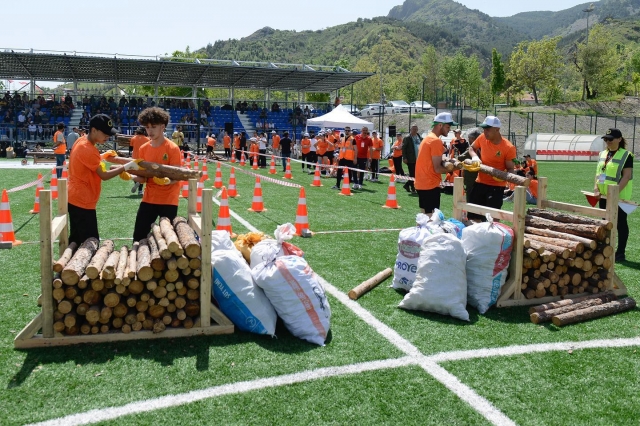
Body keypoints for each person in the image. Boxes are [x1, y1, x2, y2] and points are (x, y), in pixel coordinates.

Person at [67, 115, 136, 245]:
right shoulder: (88, 149)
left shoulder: (82, 141)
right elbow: (104, 175)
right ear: (94, 130)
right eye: (105, 133)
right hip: (82, 200)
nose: (107, 137)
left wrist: (102, 156)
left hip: (75, 197)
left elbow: (87, 160)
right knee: (90, 243)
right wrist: (125, 167)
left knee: (76, 240)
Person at [131, 107, 182, 242]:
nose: (150, 131)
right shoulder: (143, 149)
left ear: (162, 127)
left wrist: (167, 181)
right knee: (138, 236)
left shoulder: (172, 148)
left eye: (153, 126)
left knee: (169, 239)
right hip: (149, 198)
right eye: (147, 127)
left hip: (169, 199)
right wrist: (131, 177)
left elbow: (177, 176)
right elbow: (143, 177)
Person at [594, 128, 633, 262]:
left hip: (619, 196)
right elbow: (599, 174)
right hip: (604, 196)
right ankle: (604, 249)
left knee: (620, 224)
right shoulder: (603, 154)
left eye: (610, 139)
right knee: (604, 222)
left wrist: (615, 193)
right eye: (605, 139)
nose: (607, 142)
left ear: (619, 139)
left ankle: (620, 253)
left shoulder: (626, 155)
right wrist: (596, 188)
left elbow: (626, 176)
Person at [468, 116, 516, 221]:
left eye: (488, 129)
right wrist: (475, 157)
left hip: (496, 187)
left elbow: (510, 169)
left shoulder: (508, 147)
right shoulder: (481, 138)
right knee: (473, 217)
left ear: (497, 129)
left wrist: (505, 177)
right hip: (480, 183)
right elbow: (471, 148)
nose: (485, 132)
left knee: (493, 219)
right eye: (484, 129)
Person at [414, 113, 455, 215]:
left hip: (423, 183)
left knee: (424, 218)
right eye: (448, 127)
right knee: (431, 220)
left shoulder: (429, 138)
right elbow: (437, 169)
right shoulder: (435, 141)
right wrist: (453, 168)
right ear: (440, 125)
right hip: (430, 185)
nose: (449, 129)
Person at [457, 127, 481, 202]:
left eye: (469, 138)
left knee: (470, 201)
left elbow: (460, 158)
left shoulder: (472, 149)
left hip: (472, 179)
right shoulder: (483, 147)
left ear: (473, 138)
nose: (468, 140)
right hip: (481, 180)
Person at [402, 123, 423, 193]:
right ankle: (413, 188)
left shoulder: (419, 137)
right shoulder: (407, 138)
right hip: (410, 159)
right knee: (412, 174)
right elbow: (403, 148)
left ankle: (407, 185)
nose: (415, 130)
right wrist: (404, 157)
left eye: (416, 129)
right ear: (410, 129)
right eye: (413, 129)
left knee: (416, 174)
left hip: (419, 159)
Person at [129, 127, 150, 195]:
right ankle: (140, 190)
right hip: (144, 159)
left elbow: (130, 149)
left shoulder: (133, 138)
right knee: (142, 174)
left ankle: (137, 182)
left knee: (134, 174)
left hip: (134, 158)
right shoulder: (147, 139)